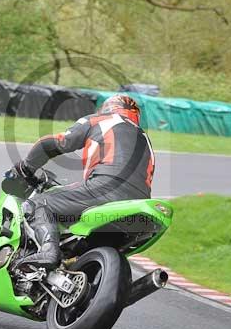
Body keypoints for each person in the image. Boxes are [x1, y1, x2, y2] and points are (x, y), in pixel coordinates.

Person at [10, 94, 156, 271]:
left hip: (106, 188)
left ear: (108, 108)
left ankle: (48, 250)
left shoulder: (101, 120)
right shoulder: (145, 138)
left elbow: (55, 143)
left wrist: (25, 167)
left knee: (37, 203)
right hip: (140, 205)